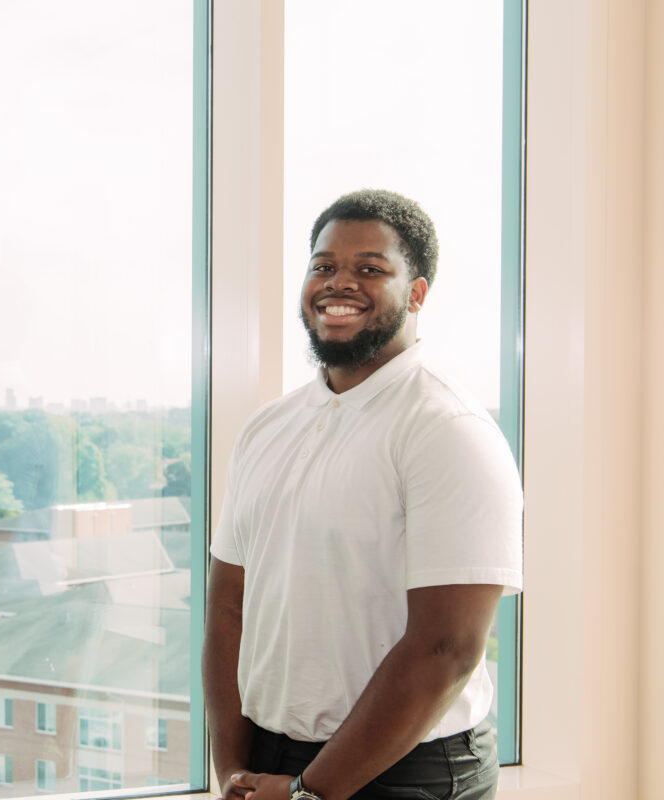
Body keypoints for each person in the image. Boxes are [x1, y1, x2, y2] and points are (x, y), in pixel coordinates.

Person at [203, 190, 523, 800]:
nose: (338, 283)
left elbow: (446, 648)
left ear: (418, 293)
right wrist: (232, 771)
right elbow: (228, 608)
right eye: (324, 265)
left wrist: (308, 793)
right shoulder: (267, 427)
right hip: (268, 753)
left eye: (370, 268)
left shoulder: (448, 430)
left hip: (406, 766)